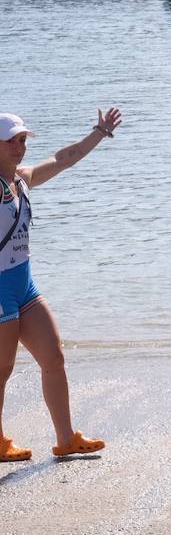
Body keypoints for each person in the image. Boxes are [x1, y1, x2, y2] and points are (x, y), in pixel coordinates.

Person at [0, 110, 120, 463]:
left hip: (25, 286)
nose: (19, 147)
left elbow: (63, 159)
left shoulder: (21, 179)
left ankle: (66, 439)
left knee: (53, 357)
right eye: (11, 141)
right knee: (2, 370)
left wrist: (98, 132)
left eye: (22, 140)